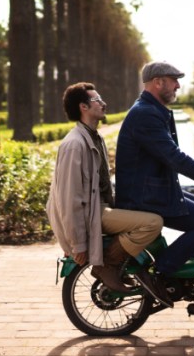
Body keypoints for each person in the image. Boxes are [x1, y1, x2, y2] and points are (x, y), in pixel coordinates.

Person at [114, 61, 194, 301]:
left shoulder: (151, 110)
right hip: (143, 197)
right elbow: (174, 157)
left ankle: (181, 268)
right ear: (158, 82)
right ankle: (162, 272)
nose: (178, 85)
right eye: (174, 80)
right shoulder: (145, 115)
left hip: (152, 190)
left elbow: (170, 154)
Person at [46, 82, 165, 296]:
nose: (103, 103)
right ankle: (108, 264)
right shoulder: (74, 145)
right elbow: (68, 199)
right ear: (83, 107)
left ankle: (129, 266)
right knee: (153, 223)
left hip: (98, 208)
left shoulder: (94, 137)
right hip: (91, 214)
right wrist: (78, 243)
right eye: (97, 100)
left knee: (151, 210)